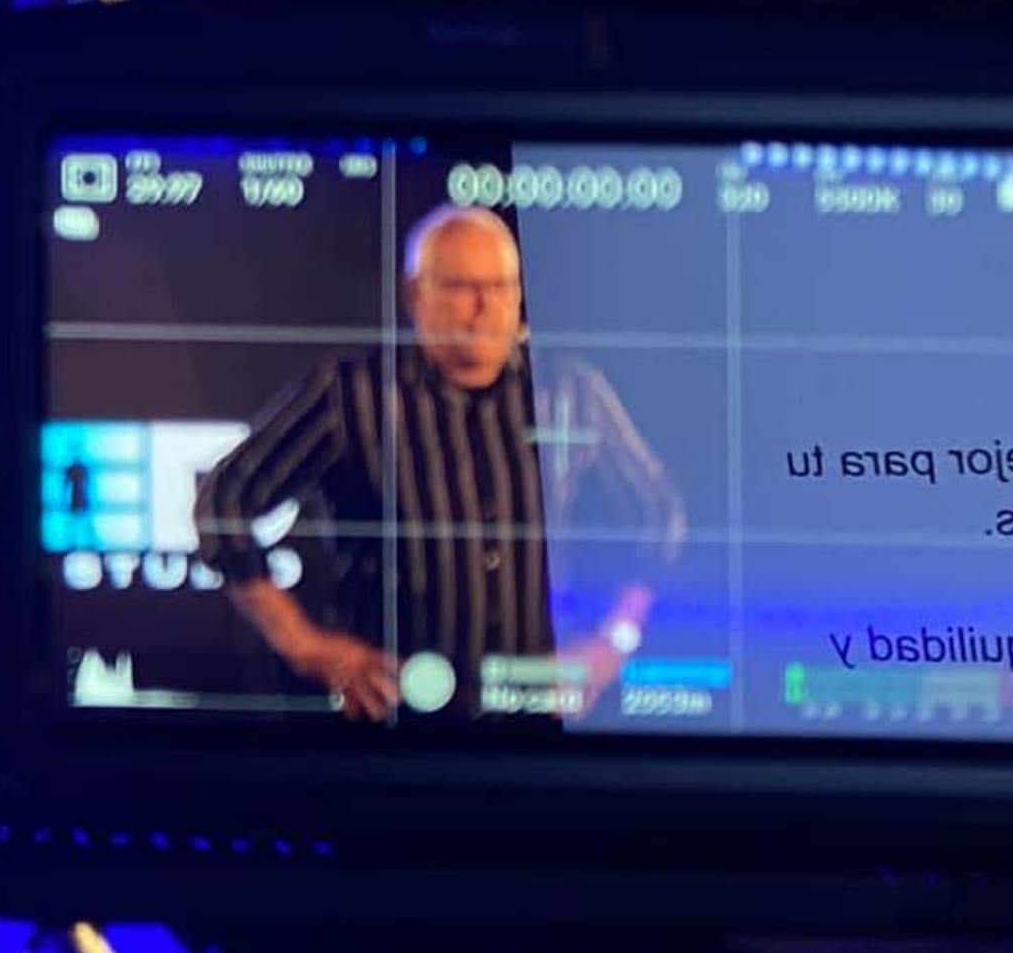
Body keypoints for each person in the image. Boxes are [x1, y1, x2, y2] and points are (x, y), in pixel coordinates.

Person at [191, 203, 686, 723]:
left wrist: (613, 644)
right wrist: (306, 646)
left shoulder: (568, 391)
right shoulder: (352, 395)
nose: (486, 306)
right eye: (463, 288)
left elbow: (659, 513)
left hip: (533, 718)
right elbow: (224, 504)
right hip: (395, 719)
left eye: (502, 287)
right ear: (415, 295)